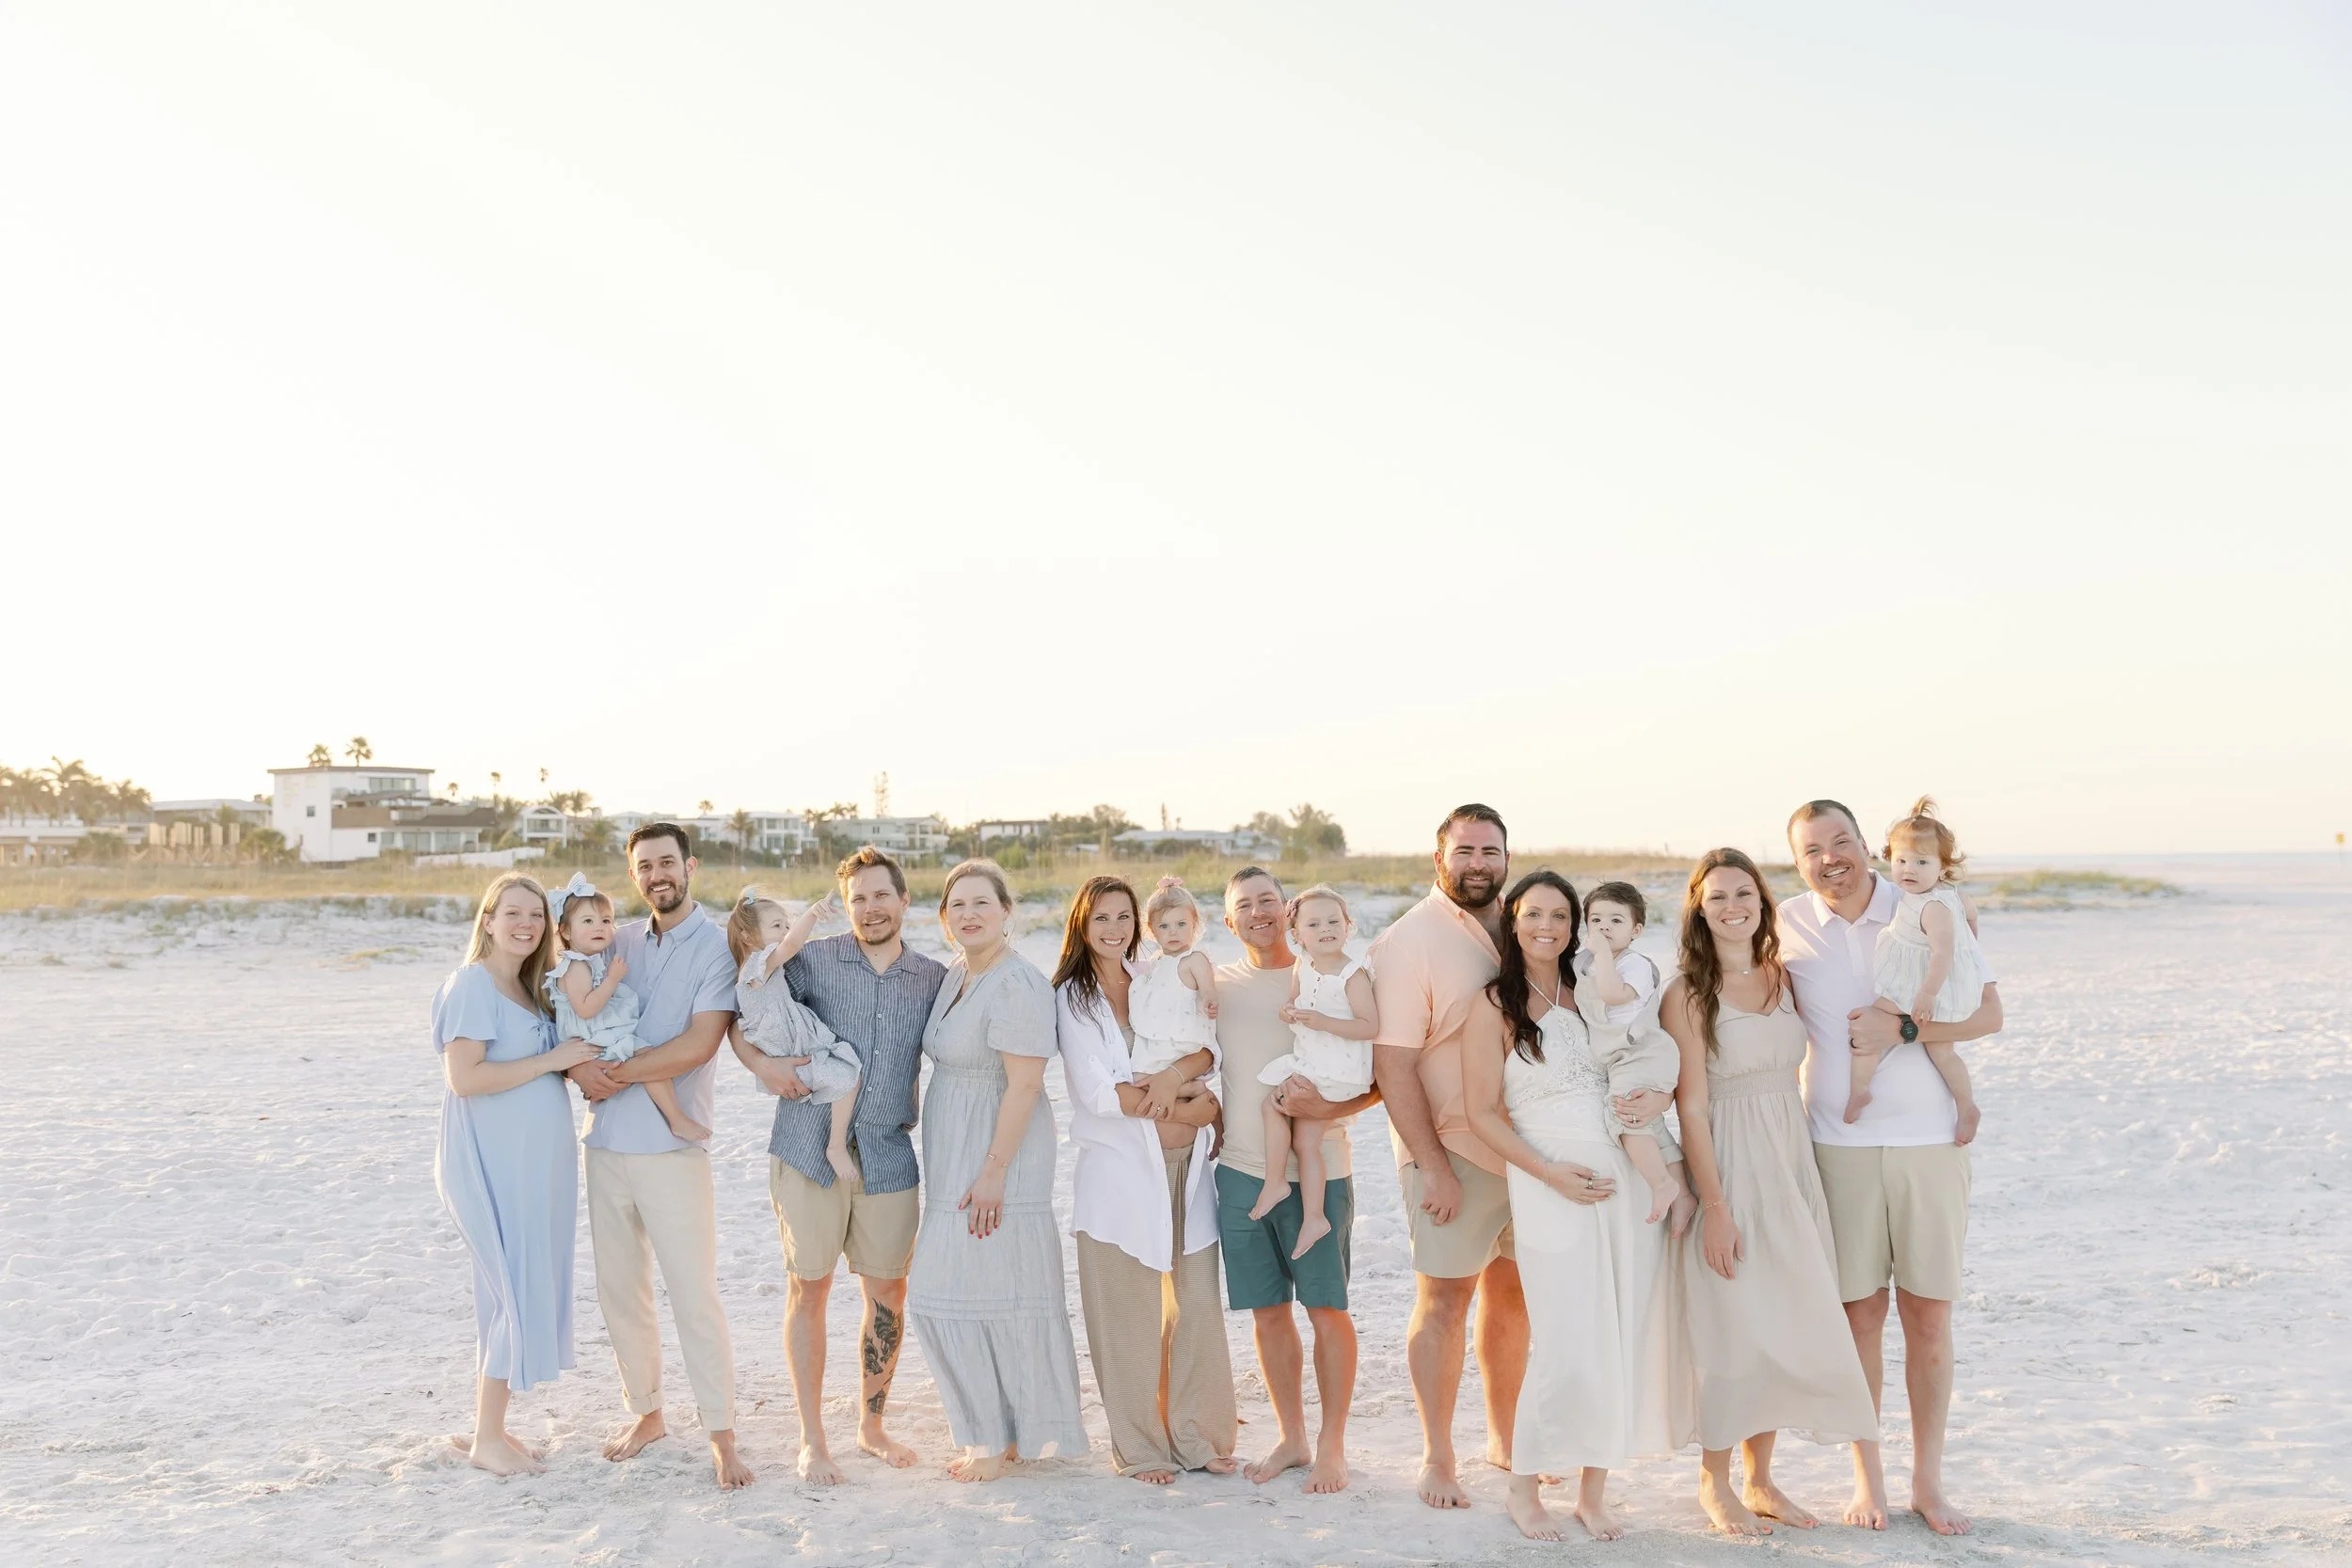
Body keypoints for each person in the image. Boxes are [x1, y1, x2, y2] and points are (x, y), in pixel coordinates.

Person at [1372, 804, 1673, 1508]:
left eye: (1490, 849)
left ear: (1506, 858)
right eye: (1464, 849)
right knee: (1445, 1297)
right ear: (1438, 856)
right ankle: (1438, 1455)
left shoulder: (1520, 923)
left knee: (1514, 1300)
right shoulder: (1408, 940)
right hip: (1454, 1149)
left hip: (1540, 1153)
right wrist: (1432, 1164)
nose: (1477, 861)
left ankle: (1508, 1442)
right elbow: (1393, 1064)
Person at [1782, 800, 2003, 1536]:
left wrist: (1904, 1026)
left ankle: (1928, 1481)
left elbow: (1988, 1015)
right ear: (1797, 859)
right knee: (1859, 1318)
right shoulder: (1784, 923)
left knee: (1929, 1318)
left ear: (1867, 847)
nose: (1830, 856)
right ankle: (1866, 1477)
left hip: (1930, 1142)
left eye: (1842, 840)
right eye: (1813, 847)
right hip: (1836, 1147)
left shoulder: (1926, 904)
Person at [1659, 848, 1880, 1536]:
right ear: (1699, 906)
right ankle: (1714, 1481)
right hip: (1730, 1158)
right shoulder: (1688, 992)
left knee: (1782, 1316)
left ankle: (1759, 1478)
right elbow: (1690, 1108)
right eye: (1718, 896)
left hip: (1790, 1157)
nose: (1732, 907)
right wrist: (1715, 1207)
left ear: (1762, 902)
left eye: (1744, 894)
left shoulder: (1781, 976)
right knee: (1732, 1321)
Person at [1462, 870, 1676, 1543]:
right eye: (1533, 913)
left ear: (1575, 923)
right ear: (1512, 919)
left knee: (1616, 1333)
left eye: (1560, 914)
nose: (1546, 926)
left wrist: (1659, 1101)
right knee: (1561, 1338)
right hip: (1550, 1176)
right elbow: (1480, 1113)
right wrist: (1549, 1173)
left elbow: (1646, 1060)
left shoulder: (1593, 995)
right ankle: (1524, 1488)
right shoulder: (1494, 1003)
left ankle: (1592, 1491)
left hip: (1622, 1171)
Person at [733, 845, 946, 1483]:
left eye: (882, 895)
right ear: (845, 905)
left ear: (905, 900)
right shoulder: (814, 959)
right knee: (811, 1287)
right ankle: (811, 1437)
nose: (871, 907)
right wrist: (762, 1065)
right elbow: (744, 1008)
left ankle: (871, 1424)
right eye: (859, 898)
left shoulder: (935, 978)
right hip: (806, 1147)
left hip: (887, 1152)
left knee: (887, 1290)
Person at [563, 824, 752, 1489]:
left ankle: (722, 1433)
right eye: (644, 866)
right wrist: (577, 1071)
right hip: (605, 1141)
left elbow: (700, 1043)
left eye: (667, 861)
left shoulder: (717, 947)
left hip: (673, 1147)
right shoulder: (615, 939)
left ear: (689, 865)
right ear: (634, 874)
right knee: (621, 1291)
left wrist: (622, 1069)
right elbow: (572, 1012)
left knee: (694, 1294)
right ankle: (646, 1411)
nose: (656, 874)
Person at [906, 859, 1088, 1481]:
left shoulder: (1017, 983)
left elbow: (1025, 1084)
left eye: (982, 902)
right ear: (944, 917)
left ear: (1007, 910)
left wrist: (993, 1171)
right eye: (957, 905)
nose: (969, 914)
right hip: (955, 1149)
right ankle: (998, 1431)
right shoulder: (958, 971)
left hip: (999, 1151)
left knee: (985, 1291)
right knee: (957, 1292)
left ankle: (996, 1438)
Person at [1053, 875, 1237, 1483]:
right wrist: (1194, 1109)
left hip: (1184, 1171)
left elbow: (1206, 1047)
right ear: (1082, 923)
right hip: (1120, 1176)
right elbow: (1100, 1093)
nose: (1114, 929)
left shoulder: (1157, 973)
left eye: (1124, 917)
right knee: (1127, 1314)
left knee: (1198, 1304)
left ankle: (1198, 1436)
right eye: (1101, 917)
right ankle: (1140, 1449)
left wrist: (1175, 1078)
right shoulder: (1073, 998)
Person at [433, 873, 600, 1475]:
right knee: (510, 1285)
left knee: (517, 1283)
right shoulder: (475, 985)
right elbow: (466, 1079)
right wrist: (551, 1061)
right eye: (513, 913)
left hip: (536, 1161)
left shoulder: (532, 989)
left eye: (536, 915)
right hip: (496, 1159)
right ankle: (487, 1438)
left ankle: (492, 1426)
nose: (525, 924)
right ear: (488, 919)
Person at [1214, 867, 1373, 1496]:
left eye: (1268, 901)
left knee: (1327, 1309)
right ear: (1229, 920)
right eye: (1243, 905)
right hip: (1240, 1172)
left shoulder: (1325, 970)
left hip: (1321, 1172)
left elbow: (1377, 1071)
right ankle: (1293, 1435)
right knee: (1268, 1312)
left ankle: (1332, 1445)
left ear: (1288, 910)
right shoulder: (1217, 984)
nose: (1258, 912)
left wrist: (1329, 1111)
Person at [1248, 884, 1376, 1263]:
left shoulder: (1353, 974)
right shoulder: (1303, 966)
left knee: (1276, 1109)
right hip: (1312, 1060)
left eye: (1334, 921)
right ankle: (1314, 1216)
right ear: (1297, 935)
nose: (1326, 928)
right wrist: (1288, 1012)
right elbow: (1290, 1004)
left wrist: (1323, 1021)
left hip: (1337, 1068)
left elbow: (1369, 1026)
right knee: (1303, 1140)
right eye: (1314, 923)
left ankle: (1278, 1185)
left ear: (1348, 925)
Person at [1850, 799, 1988, 1142]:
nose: (1908, 870)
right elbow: (1970, 914)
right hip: (1936, 985)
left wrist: (1926, 993)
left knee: (1867, 1025)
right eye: (1901, 861)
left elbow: (1943, 951)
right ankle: (1966, 1104)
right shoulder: (1949, 895)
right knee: (1942, 1049)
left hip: (1920, 986)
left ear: (1943, 866)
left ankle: (1860, 1089)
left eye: (1921, 862)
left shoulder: (1932, 907)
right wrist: (1971, 939)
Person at [546, 872, 706, 1144]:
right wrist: (612, 979)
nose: (600, 927)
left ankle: (674, 1116)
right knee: (648, 1059)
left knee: (647, 1058)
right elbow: (585, 1009)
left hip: (600, 1031)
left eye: (606, 921)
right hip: (594, 1035)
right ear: (565, 931)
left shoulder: (590, 960)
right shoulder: (575, 965)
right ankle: (676, 1118)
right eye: (588, 921)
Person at [1574, 880, 1689, 1226]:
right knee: (1649, 1125)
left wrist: (1604, 953)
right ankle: (1683, 1194)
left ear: (1636, 930)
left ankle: (1662, 1182)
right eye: (1596, 921)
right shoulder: (1588, 963)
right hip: (1623, 1055)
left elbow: (1612, 995)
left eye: (1616, 921)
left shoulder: (1634, 963)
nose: (1604, 927)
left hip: (1642, 1052)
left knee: (1623, 1118)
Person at [727, 891, 861, 1182]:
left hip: (794, 1040)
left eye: (786, 925)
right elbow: (792, 945)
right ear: (749, 937)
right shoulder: (756, 966)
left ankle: (835, 1141)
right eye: (776, 925)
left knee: (845, 1067)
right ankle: (836, 1146)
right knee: (849, 1075)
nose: (785, 931)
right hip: (790, 1049)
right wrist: (812, 913)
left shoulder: (760, 969)